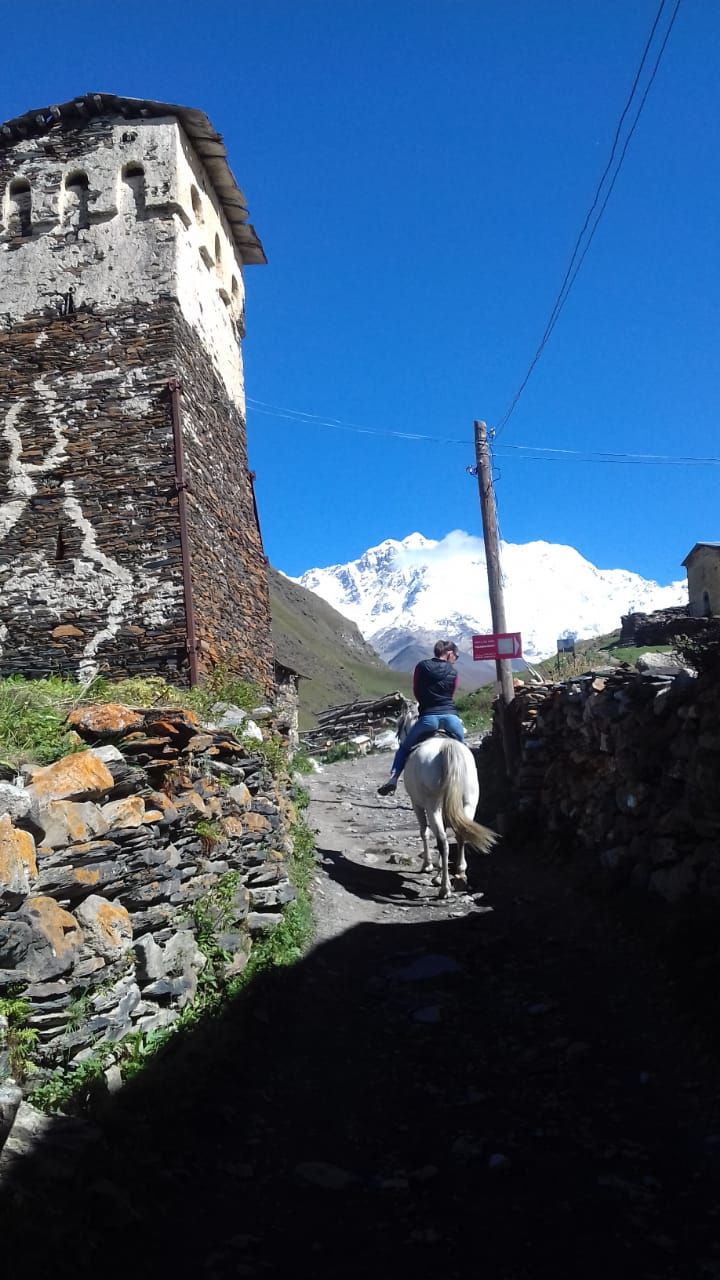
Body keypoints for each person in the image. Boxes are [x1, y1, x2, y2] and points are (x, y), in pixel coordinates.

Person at [377, 639, 465, 795]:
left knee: (404, 748)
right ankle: (467, 782)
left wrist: (425, 704)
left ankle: (393, 779)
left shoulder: (422, 666)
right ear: (449, 653)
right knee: (463, 750)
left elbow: (416, 689)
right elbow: (451, 694)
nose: (455, 660)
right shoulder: (454, 672)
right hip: (451, 718)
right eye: (456, 656)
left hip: (428, 718)